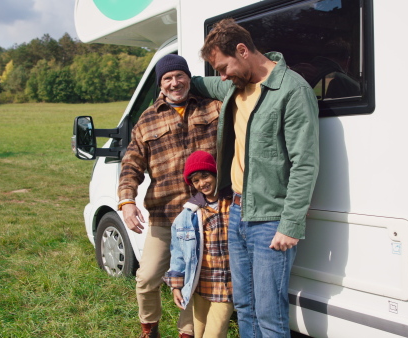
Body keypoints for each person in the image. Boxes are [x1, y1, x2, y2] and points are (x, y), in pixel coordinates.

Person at [191, 18, 320, 337]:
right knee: (245, 308)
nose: (221, 77)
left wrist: (290, 225)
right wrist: (172, 75)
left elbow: (305, 163)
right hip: (236, 213)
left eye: (223, 67)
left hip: (270, 220)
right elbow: (200, 84)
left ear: (242, 50)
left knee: (270, 315)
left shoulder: (291, 90)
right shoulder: (235, 86)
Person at [118, 54, 222, 338]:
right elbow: (131, 164)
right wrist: (127, 201)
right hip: (164, 215)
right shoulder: (147, 120)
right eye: (167, 78)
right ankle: (149, 329)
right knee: (147, 277)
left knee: (195, 277)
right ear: (160, 84)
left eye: (179, 76)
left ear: (188, 77)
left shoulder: (213, 108)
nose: (175, 83)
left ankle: (187, 333)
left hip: (205, 215)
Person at [163, 150, 234, 338]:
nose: (202, 183)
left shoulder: (234, 204)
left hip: (228, 284)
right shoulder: (188, 215)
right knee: (199, 331)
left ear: (215, 174)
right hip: (201, 284)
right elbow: (178, 252)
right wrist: (176, 285)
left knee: (214, 333)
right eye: (196, 180)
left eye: (205, 176)